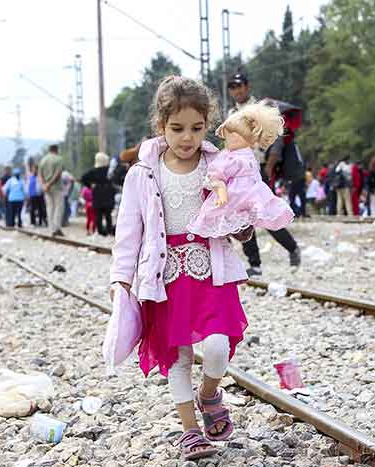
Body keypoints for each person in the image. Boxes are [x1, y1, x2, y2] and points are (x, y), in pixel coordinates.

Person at [110, 76, 250, 460]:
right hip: (165, 276)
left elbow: (237, 208)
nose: (187, 137)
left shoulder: (218, 165)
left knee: (218, 346)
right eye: (177, 129)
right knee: (178, 357)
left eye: (196, 128)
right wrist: (121, 278)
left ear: (208, 125)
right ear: (161, 127)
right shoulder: (143, 173)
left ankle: (209, 394)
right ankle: (190, 431)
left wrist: (245, 224)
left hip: (211, 271)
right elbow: (129, 231)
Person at [226, 72, 301, 275]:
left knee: (265, 215)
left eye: (239, 85)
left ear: (247, 87)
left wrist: (269, 166)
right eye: (232, 87)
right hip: (239, 171)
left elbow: (275, 136)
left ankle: (292, 248)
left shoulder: (260, 108)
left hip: (258, 169)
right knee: (243, 218)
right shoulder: (231, 112)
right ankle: (255, 264)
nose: (236, 90)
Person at [187, 102, 294, 238]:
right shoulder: (228, 156)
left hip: (252, 191)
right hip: (236, 194)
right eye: (228, 135)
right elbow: (216, 173)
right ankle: (241, 236)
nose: (229, 139)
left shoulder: (247, 153)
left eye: (235, 136)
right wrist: (221, 189)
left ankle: (249, 232)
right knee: (232, 216)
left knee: (259, 211)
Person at [81, 152, 116, 236]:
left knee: (98, 214)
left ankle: (100, 231)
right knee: (108, 214)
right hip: (108, 192)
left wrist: (90, 185)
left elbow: (83, 178)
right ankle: (109, 230)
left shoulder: (93, 171)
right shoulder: (109, 170)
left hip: (97, 193)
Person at [38, 144, 65, 236]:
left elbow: (40, 175)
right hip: (57, 187)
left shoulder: (43, 160)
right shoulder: (59, 159)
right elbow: (58, 173)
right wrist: (49, 184)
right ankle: (57, 227)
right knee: (58, 207)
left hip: (46, 188)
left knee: (50, 207)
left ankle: (51, 229)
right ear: (56, 150)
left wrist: (43, 186)